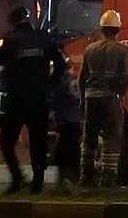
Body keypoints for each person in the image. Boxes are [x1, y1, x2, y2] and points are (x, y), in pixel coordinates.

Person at [0, 6, 65, 194]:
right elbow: (60, 63)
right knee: (37, 141)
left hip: (16, 99)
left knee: (6, 141)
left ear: (13, 22)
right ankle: (37, 183)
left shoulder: (11, 39)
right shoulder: (43, 37)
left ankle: (17, 179)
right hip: (39, 98)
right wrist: (50, 85)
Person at [78, 9, 128, 188]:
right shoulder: (122, 50)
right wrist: (121, 95)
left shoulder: (90, 49)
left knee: (89, 137)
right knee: (112, 138)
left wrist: (82, 99)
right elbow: (127, 77)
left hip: (91, 98)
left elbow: (81, 77)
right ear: (118, 29)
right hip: (111, 99)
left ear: (101, 28)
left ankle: (85, 177)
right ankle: (108, 179)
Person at [52, 57, 82, 191]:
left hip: (65, 120)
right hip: (71, 120)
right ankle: (70, 180)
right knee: (70, 150)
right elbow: (75, 96)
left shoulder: (58, 81)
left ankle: (64, 180)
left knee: (63, 150)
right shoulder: (69, 81)